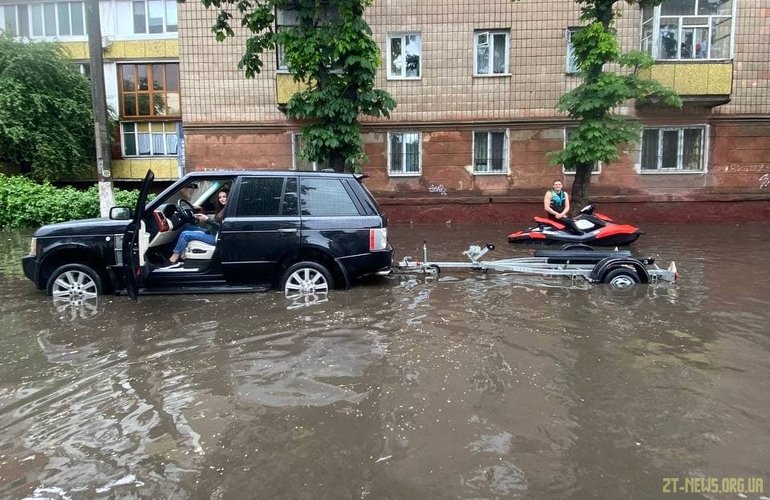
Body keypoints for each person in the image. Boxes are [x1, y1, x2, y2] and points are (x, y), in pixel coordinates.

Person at [164, 188, 228, 268]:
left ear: (229, 197)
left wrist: (207, 220)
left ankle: (173, 260)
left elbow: (222, 228)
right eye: (220, 197)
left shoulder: (228, 210)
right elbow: (216, 225)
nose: (222, 199)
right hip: (213, 233)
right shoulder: (223, 208)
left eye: (224, 197)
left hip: (217, 237)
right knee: (188, 227)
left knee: (185, 234)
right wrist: (204, 231)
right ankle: (179, 253)